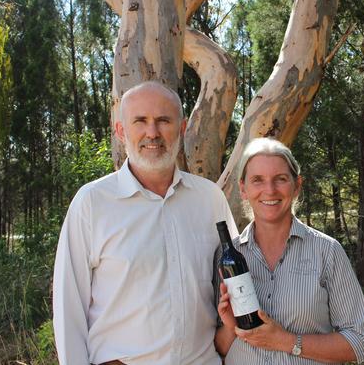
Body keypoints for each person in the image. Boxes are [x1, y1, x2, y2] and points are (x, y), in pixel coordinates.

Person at [52, 81, 237, 365]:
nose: (153, 133)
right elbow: (69, 310)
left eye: (164, 120)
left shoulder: (209, 199)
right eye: (140, 121)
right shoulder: (92, 203)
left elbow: (236, 289)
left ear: (182, 127)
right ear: (121, 131)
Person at [214, 138, 364, 364]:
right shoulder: (226, 258)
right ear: (243, 189)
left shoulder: (327, 251)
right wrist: (232, 327)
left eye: (280, 179)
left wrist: (285, 340)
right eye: (257, 180)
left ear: (297, 185)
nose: (269, 190)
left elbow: (361, 342)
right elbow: (219, 348)